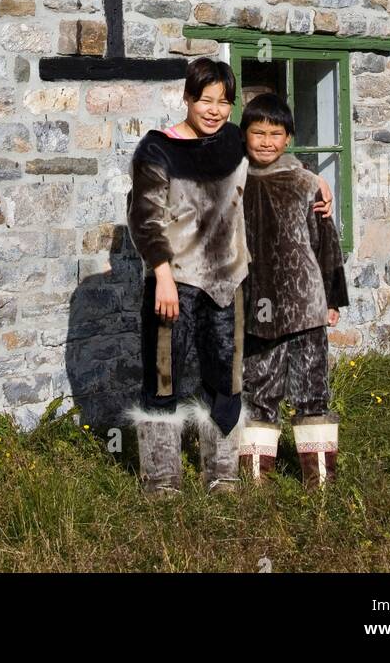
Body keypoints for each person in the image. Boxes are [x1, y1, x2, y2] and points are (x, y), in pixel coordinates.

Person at [126, 58, 333, 497]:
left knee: (226, 376)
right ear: (187, 98)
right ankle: (162, 479)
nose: (215, 110)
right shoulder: (157, 148)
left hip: (227, 283)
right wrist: (161, 276)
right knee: (164, 376)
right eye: (206, 100)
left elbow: (270, 150)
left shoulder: (234, 143)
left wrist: (314, 180)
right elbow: (144, 218)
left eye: (223, 102)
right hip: (174, 282)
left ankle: (221, 473)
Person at [237, 91, 348, 489]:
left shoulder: (306, 184)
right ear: (244, 134)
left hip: (305, 306)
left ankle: (319, 479)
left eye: (275, 133)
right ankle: (254, 479)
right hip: (256, 308)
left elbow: (326, 243)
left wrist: (332, 298)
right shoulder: (233, 181)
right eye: (258, 132)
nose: (266, 141)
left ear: (289, 137)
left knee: (311, 387)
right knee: (259, 388)